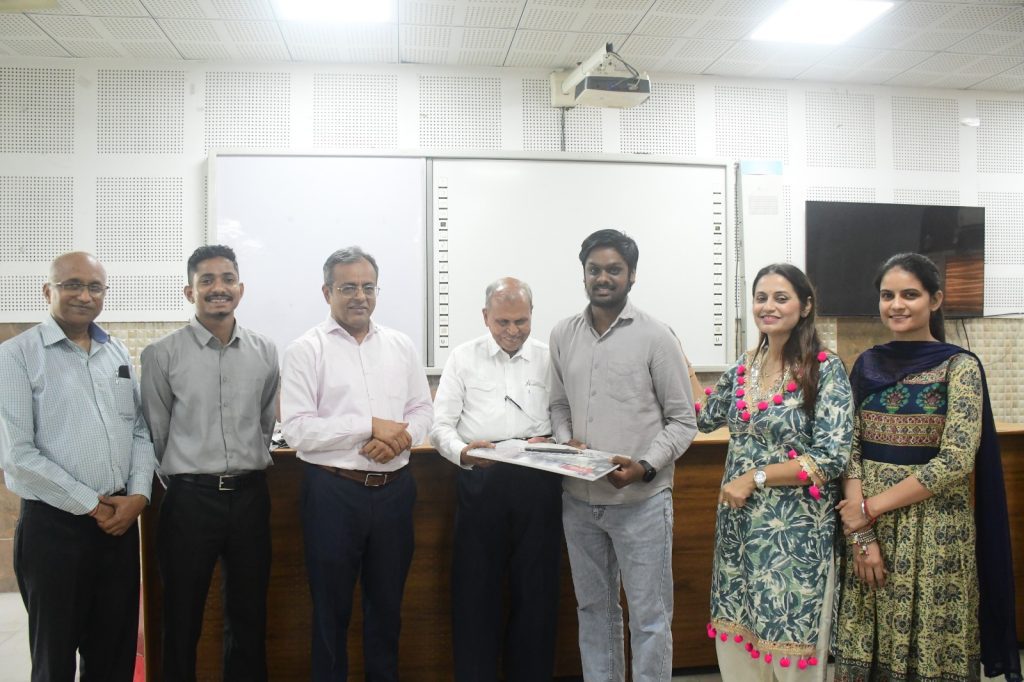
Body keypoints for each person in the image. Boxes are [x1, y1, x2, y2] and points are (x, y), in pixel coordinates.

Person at [833, 253, 1020, 682]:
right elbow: (850, 449)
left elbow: (956, 458)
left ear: (935, 300)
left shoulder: (960, 367)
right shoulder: (867, 364)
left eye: (910, 295)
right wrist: (861, 532)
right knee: (868, 635)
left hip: (936, 532)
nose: (896, 305)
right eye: (887, 295)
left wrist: (868, 508)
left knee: (932, 645)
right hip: (871, 533)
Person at [0, 252, 156, 682]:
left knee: (114, 657)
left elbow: (139, 430)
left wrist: (139, 495)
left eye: (94, 287)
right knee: (54, 660)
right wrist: (93, 505)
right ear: (47, 291)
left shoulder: (115, 350)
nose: (84, 296)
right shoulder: (16, 356)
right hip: (55, 531)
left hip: (118, 528)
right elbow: (18, 457)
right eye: (72, 285)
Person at [549, 229, 697, 682]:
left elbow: (683, 420)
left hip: (641, 504)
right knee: (594, 610)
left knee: (649, 618)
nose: (603, 278)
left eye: (614, 269)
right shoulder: (563, 333)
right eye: (594, 269)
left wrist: (645, 466)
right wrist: (565, 441)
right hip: (579, 501)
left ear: (632, 275)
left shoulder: (656, 336)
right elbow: (558, 405)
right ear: (583, 275)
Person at [692, 263, 853, 681]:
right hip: (739, 530)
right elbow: (704, 418)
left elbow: (830, 456)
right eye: (761, 298)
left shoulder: (824, 368)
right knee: (740, 645)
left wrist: (755, 477)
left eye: (781, 298)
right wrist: (676, 358)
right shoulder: (744, 367)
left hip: (795, 535)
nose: (768, 306)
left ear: (805, 306)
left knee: (789, 645)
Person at [280, 246, 433, 682]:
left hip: (395, 492)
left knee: (387, 609)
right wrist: (368, 426)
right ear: (327, 292)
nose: (360, 296)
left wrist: (400, 438)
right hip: (333, 493)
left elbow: (422, 409)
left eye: (368, 287)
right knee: (330, 612)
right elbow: (297, 429)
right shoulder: (305, 350)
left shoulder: (401, 345)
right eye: (348, 287)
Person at [140, 245, 279, 682]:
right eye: (207, 280)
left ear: (240, 288)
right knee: (181, 617)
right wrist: (192, 474)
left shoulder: (265, 351)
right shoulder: (161, 354)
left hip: (250, 497)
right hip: (189, 501)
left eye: (227, 279)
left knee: (249, 616)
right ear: (190, 291)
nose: (219, 288)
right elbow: (157, 432)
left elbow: (265, 423)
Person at [430, 277, 561, 682]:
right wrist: (462, 453)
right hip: (481, 479)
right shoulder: (463, 358)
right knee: (475, 591)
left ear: (532, 315)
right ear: (485, 316)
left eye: (521, 321)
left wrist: (557, 440)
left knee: (537, 592)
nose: (512, 331)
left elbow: (565, 417)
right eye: (503, 322)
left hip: (538, 480)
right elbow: (440, 426)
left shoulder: (549, 357)